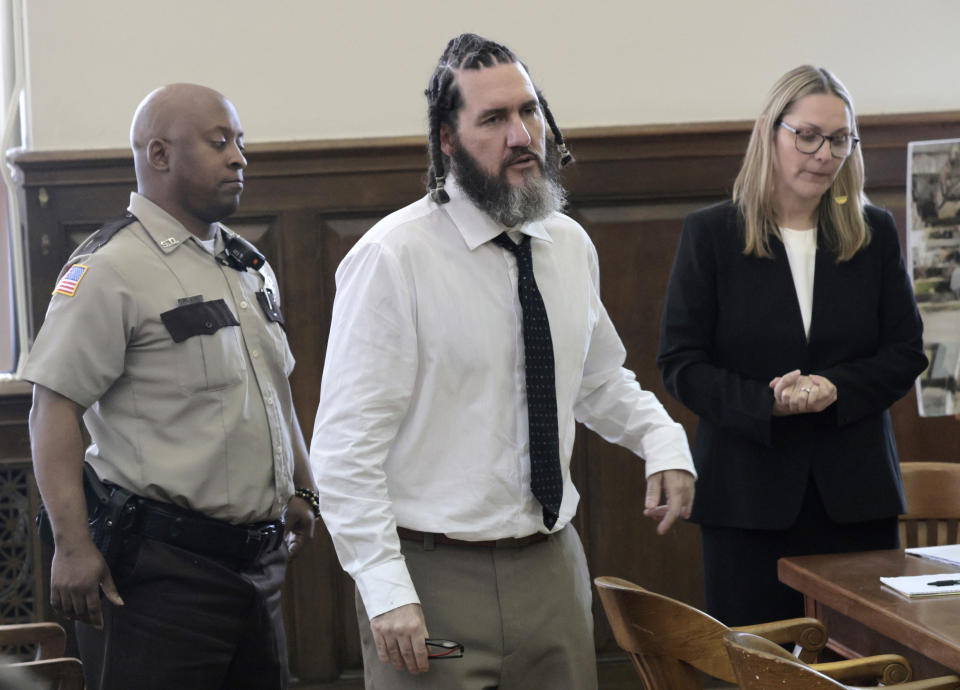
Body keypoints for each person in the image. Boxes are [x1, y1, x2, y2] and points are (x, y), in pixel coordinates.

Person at [310, 33, 696, 690]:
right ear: (448, 140)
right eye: (493, 119)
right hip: (430, 577)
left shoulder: (567, 245)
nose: (522, 135)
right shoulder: (392, 259)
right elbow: (344, 451)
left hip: (551, 569)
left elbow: (597, 380)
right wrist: (384, 588)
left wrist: (663, 439)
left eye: (529, 111)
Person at [24, 83, 318, 689]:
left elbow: (273, 387)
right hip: (157, 575)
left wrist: (301, 487)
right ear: (159, 155)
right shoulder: (109, 269)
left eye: (240, 141)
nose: (239, 157)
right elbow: (52, 410)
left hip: (255, 567)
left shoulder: (245, 262)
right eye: (220, 142)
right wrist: (74, 547)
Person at [658, 65, 927, 626]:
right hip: (746, 500)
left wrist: (836, 387)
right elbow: (682, 363)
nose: (824, 153)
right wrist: (766, 402)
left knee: (864, 662)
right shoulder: (712, 234)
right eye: (807, 135)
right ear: (770, 133)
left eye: (839, 139)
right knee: (761, 663)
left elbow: (905, 352)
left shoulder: (872, 232)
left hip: (856, 499)